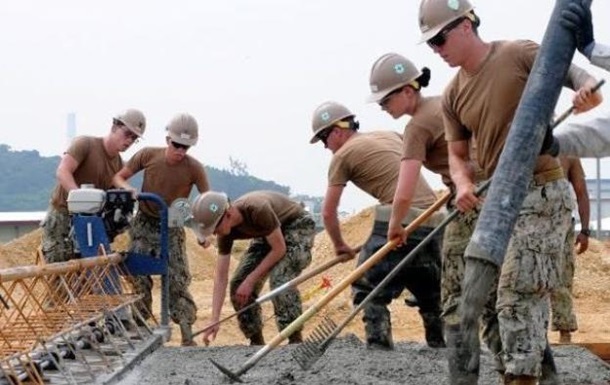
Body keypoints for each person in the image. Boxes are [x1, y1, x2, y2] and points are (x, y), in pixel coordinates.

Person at [418, 0, 602, 383]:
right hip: (496, 204)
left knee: (518, 296)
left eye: (440, 39)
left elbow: (586, 83)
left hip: (542, 195)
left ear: (466, 25)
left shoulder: (519, 53)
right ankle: (533, 374)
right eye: (431, 44)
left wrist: (586, 96)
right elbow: (457, 154)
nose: (437, 49)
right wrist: (464, 183)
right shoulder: (453, 94)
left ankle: (521, 379)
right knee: (486, 304)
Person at [366, 53, 497, 355]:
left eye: (385, 100)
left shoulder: (417, 127)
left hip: (472, 201)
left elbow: (404, 190)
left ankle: (461, 352)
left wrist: (396, 226)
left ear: (408, 91)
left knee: (451, 280)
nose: (382, 107)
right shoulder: (443, 103)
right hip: (488, 192)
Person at [309, 101, 446, 349]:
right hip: (434, 219)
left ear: (337, 131)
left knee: (367, 286)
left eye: (323, 139)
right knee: (428, 286)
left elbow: (328, 213)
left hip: (398, 216)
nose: (325, 147)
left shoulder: (342, 156)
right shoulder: (389, 134)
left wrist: (340, 246)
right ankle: (439, 344)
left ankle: (379, 348)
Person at [112, 113, 209, 346]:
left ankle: (186, 332)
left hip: (174, 221)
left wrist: (203, 232)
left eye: (186, 147)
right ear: (168, 140)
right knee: (138, 275)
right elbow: (118, 177)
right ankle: (140, 326)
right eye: (176, 145)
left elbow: (208, 201)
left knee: (177, 278)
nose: (180, 151)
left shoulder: (195, 168)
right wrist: (130, 190)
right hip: (145, 220)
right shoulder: (148, 155)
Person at [194, 190, 315, 346]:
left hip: (296, 225)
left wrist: (251, 280)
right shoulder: (225, 232)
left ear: (228, 214)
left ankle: (294, 340)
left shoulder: (257, 209)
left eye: (215, 228)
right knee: (238, 285)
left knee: (280, 279)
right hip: (267, 233)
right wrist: (214, 319)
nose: (214, 233)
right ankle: (256, 342)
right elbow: (221, 275)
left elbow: (279, 249)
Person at [41, 108, 146, 264]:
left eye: (134, 138)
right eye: (127, 134)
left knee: (87, 274)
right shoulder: (85, 144)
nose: (129, 141)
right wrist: (80, 200)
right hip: (63, 216)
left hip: (90, 223)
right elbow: (63, 171)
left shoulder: (118, 166)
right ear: (114, 127)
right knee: (59, 270)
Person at [551, 156, 590, 344]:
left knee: (562, 279)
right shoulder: (519, 145)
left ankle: (564, 332)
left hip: (561, 223)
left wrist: (585, 230)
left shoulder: (568, 153)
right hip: (525, 222)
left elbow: (581, 192)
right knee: (523, 279)